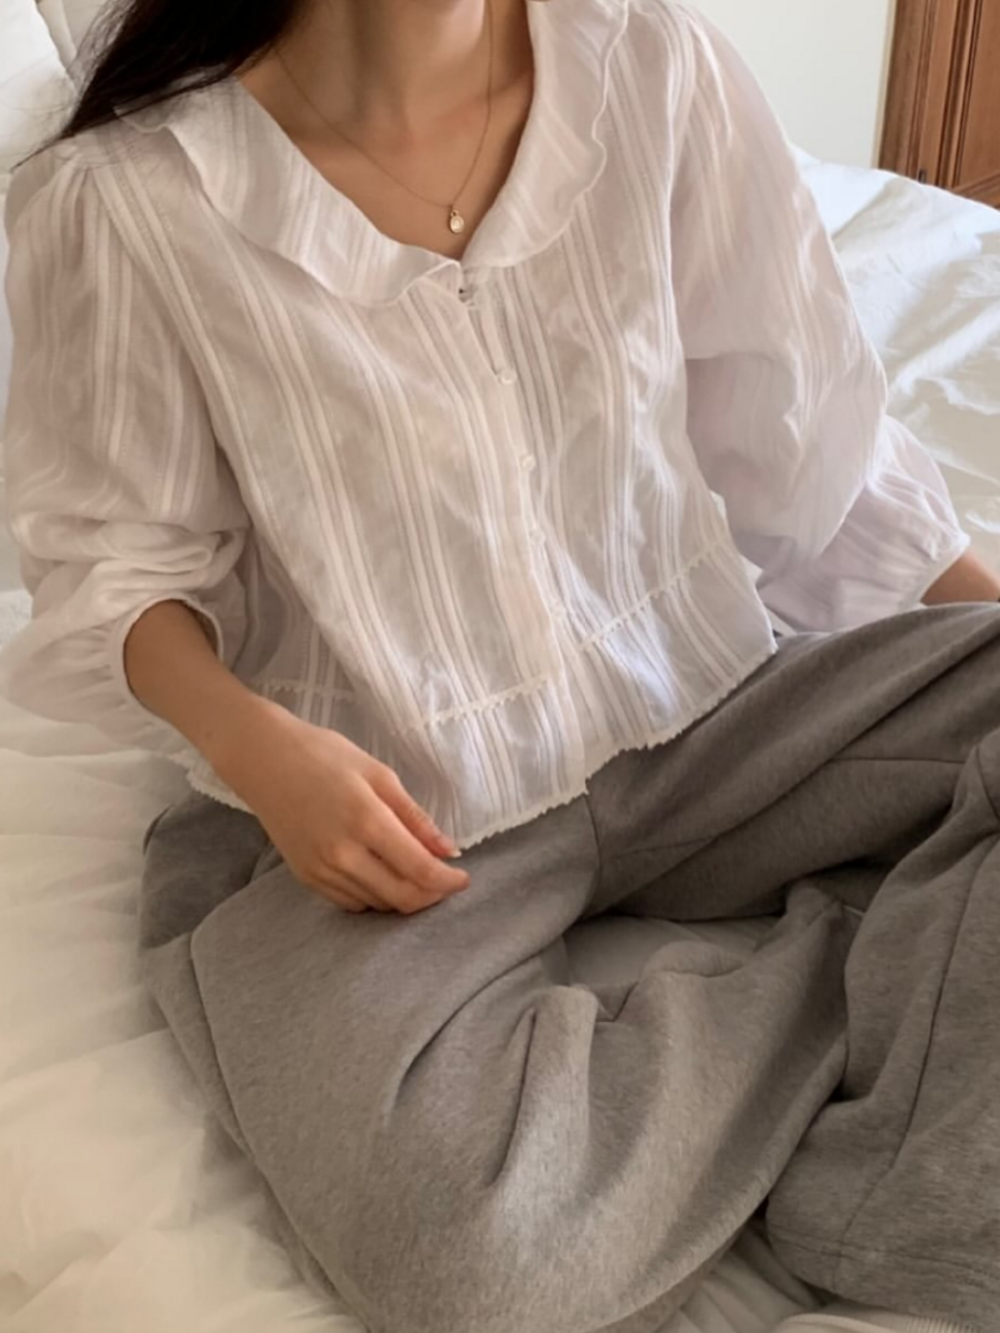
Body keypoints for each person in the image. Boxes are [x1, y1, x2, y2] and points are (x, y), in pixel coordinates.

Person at [3, 0, 999, 1328]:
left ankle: (890, 1195)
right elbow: (116, 570)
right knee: (470, 1261)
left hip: (703, 708)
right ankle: (845, 964)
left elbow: (810, 439)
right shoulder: (126, 197)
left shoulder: (652, 67)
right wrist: (256, 746)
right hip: (387, 813)